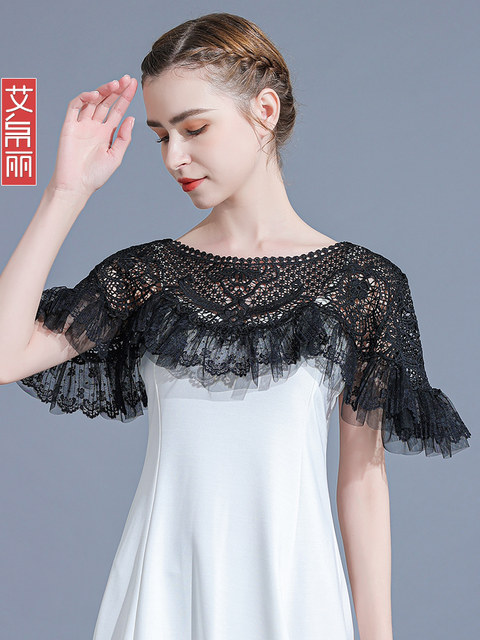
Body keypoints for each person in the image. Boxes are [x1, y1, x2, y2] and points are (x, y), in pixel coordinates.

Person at [0, 12, 471, 640]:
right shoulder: (147, 275)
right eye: (161, 136)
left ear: (264, 111)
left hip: (294, 594)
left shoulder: (363, 285)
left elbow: (362, 482)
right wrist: (65, 191)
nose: (175, 157)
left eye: (194, 128)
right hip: (163, 590)